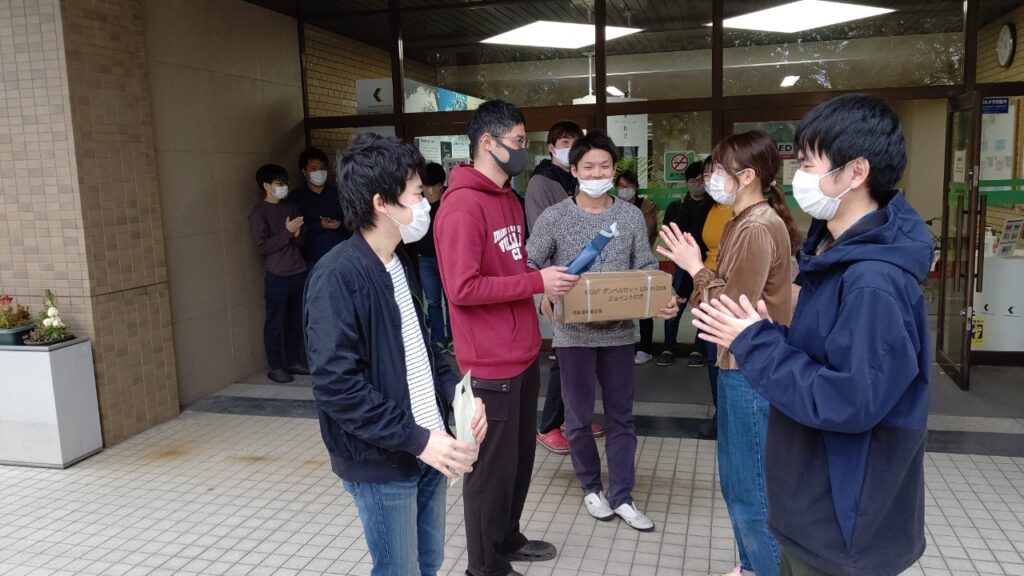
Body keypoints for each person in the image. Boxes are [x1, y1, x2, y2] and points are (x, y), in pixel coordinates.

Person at [690, 94, 932, 576]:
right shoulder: (835, 257)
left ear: (856, 172)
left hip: (841, 527)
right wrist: (769, 333)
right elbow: (825, 360)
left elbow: (847, 400)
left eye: (807, 163)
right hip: (815, 511)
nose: (797, 175)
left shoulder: (872, 282)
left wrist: (754, 341)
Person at [304, 133, 487, 576]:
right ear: (382, 203)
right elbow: (337, 387)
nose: (425, 204)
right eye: (417, 194)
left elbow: (422, 350)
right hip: (384, 459)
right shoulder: (336, 276)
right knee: (398, 570)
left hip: (428, 447)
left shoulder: (397, 261)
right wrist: (418, 439)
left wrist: (459, 397)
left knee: (428, 563)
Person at [434, 100, 578, 576]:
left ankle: (507, 537)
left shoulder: (508, 198)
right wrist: (536, 283)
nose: (523, 151)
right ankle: (485, 566)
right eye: (517, 142)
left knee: (517, 463)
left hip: (521, 352)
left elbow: (511, 268)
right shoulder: (461, 206)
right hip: (489, 362)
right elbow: (462, 288)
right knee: (489, 473)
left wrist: (541, 288)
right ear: (486, 142)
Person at [659, 130, 801, 576]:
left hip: (749, 368)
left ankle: (765, 569)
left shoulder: (756, 226)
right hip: (739, 363)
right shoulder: (744, 219)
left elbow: (730, 306)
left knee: (750, 487)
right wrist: (690, 287)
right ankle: (750, 564)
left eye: (719, 169)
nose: (711, 177)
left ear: (748, 176)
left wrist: (692, 267)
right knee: (738, 481)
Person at [527, 130, 678, 532]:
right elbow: (529, 264)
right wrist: (542, 293)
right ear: (574, 170)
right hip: (572, 335)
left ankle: (623, 496)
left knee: (621, 418)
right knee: (577, 418)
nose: (597, 173)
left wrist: (659, 295)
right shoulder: (555, 216)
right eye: (589, 167)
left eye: (605, 166)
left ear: (613, 170)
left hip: (619, 334)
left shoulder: (629, 216)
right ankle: (592, 488)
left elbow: (645, 265)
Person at [524, 120, 605, 455]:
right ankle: (547, 425)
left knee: (585, 356)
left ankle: (576, 420)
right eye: (566, 142)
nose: (572, 148)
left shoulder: (578, 180)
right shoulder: (541, 183)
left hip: (585, 280)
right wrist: (547, 287)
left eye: (577, 141)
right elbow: (541, 235)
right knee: (564, 357)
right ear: (551, 148)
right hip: (558, 280)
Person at [248, 164, 307, 384]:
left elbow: (303, 239)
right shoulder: (258, 213)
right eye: (279, 183)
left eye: (285, 183)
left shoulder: (291, 206)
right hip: (277, 274)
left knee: (295, 320)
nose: (284, 187)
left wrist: (297, 234)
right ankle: (276, 366)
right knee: (275, 321)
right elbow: (263, 247)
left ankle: (293, 360)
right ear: (266, 186)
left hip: (298, 270)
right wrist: (287, 232)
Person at [651, 161, 712, 367]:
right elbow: (668, 232)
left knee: (704, 305)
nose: (697, 185)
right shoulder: (677, 206)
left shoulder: (713, 207)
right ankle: (668, 347)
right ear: (686, 183)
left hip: (707, 263)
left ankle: (698, 349)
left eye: (701, 180)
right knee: (675, 303)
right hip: (682, 265)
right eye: (693, 181)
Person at [407, 162, 452, 355]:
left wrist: (437, 203)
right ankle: (438, 339)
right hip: (425, 258)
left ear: (440, 184)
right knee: (433, 301)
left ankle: (454, 339)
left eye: (431, 186)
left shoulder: (450, 199)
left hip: (447, 259)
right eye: (424, 186)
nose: (427, 190)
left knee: (451, 300)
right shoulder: (418, 203)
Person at [617, 170, 660, 366]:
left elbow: (647, 231)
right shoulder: (613, 206)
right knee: (620, 303)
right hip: (619, 264)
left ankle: (645, 348)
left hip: (641, 262)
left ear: (635, 187)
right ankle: (623, 345)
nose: (625, 190)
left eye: (628, 186)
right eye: (621, 186)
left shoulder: (646, 206)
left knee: (644, 307)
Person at [291, 147, 351, 267]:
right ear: (304, 172)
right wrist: (319, 225)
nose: (319, 172)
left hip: (342, 256)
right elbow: (294, 230)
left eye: (322, 168)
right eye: (313, 169)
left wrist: (339, 224)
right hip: (311, 260)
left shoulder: (339, 193)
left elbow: (353, 221)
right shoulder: (296, 197)